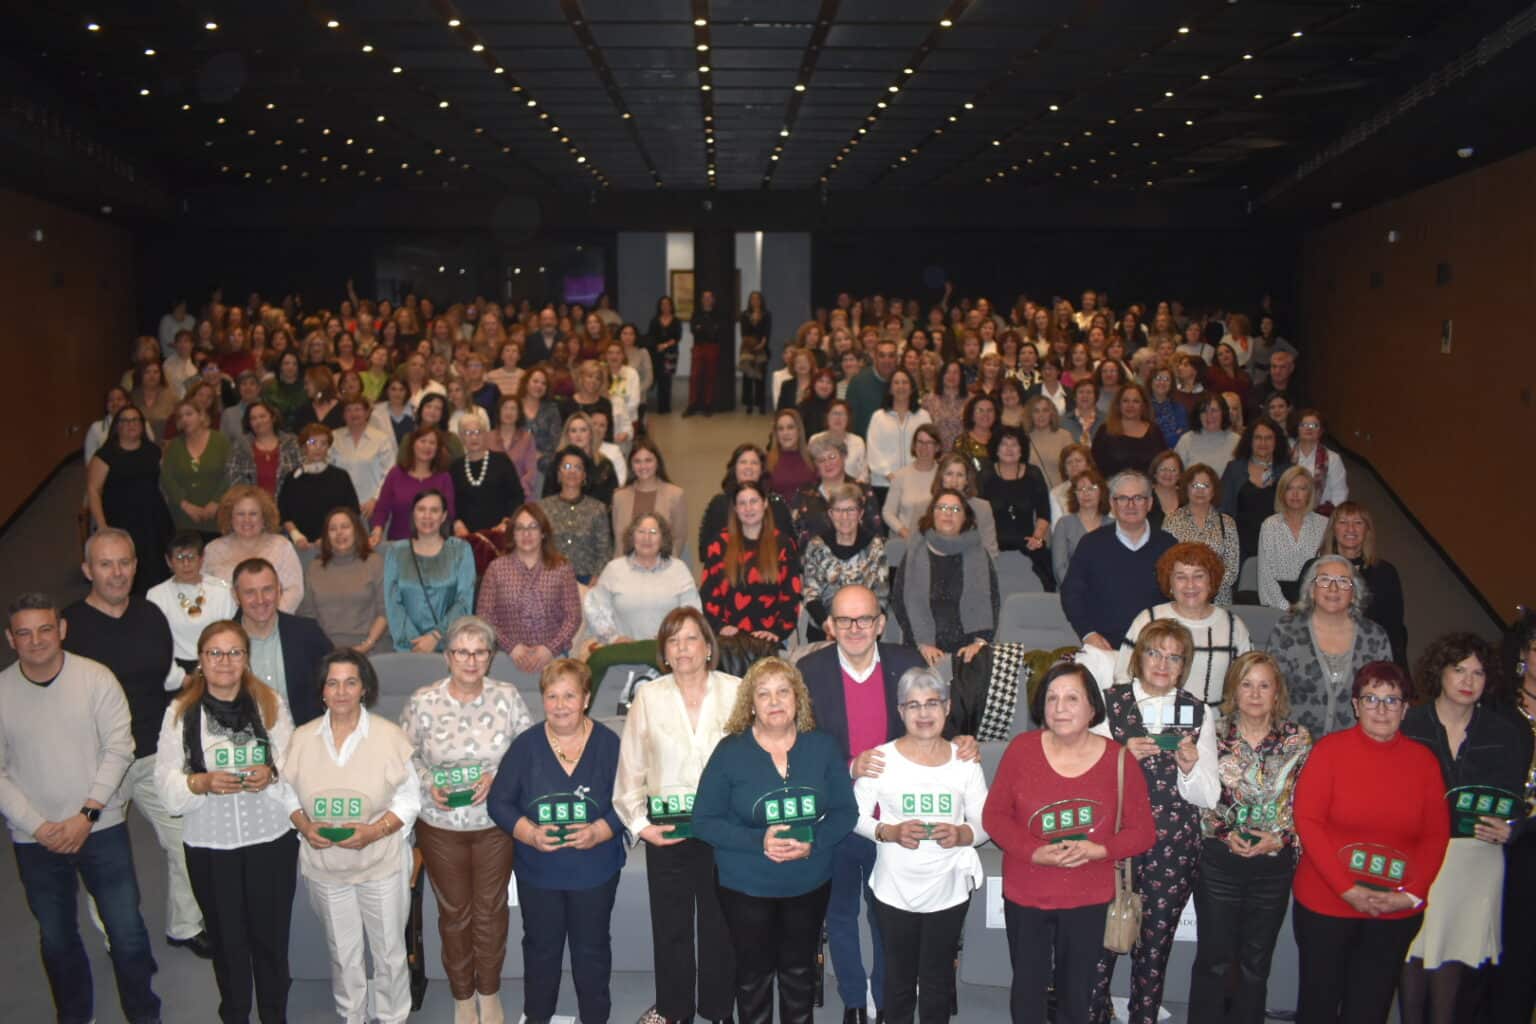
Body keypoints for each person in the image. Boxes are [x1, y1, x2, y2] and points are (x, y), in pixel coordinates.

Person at [1, 593, 163, 1024]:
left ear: (62, 630)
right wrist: (38, 826)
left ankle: (143, 1014)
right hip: (35, 839)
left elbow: (119, 748)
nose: (36, 640)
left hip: (100, 825)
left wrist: (86, 815)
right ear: (11, 639)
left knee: (126, 930)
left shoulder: (96, 678)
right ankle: (74, 1015)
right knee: (56, 938)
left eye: (45, 629)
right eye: (24, 633)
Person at [799, 585, 953, 1024]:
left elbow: (938, 721)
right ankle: (853, 998)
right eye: (844, 620)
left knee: (889, 915)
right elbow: (800, 747)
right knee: (841, 912)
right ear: (830, 626)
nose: (854, 628)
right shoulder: (809, 671)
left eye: (864, 619)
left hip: (897, 818)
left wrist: (961, 744)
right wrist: (850, 766)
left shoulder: (907, 663)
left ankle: (886, 998)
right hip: (837, 815)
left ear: (880, 623)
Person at [64, 530, 212, 955]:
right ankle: (116, 937)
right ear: (88, 570)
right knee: (105, 859)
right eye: (105, 564)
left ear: (135, 565)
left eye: (125, 563)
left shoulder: (150, 615)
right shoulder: (69, 627)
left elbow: (165, 680)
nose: (117, 573)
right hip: (97, 762)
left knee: (187, 838)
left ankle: (186, 924)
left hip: (152, 752)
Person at [982, 661, 1155, 1024]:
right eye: (1052, 698)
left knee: (1077, 996)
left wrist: (1101, 850)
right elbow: (994, 817)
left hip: (1087, 896)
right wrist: (1034, 852)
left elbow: (1143, 832)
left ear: (1092, 708)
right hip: (1027, 891)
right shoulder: (1021, 749)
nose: (1060, 708)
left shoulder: (1119, 760)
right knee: (1027, 992)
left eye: (1072, 698)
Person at [692, 657, 859, 1023]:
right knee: (753, 977)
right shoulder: (730, 752)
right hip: (745, 886)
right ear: (750, 704)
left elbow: (846, 813)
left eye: (783, 691)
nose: (774, 701)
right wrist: (758, 841)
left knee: (799, 974)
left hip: (809, 882)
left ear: (798, 699)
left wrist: (814, 840)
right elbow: (703, 821)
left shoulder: (823, 747)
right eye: (763, 694)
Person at [154, 618, 299, 1024]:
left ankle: (274, 1016)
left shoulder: (270, 702)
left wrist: (271, 773)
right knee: (227, 943)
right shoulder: (180, 713)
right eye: (214, 653)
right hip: (210, 845)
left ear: (246, 659)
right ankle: (234, 1014)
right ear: (200, 660)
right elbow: (165, 783)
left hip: (269, 839)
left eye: (234, 652)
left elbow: (293, 761)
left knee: (271, 941)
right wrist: (198, 783)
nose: (225, 661)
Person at [1291, 661, 1450, 1023]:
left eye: (1392, 700)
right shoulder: (1329, 751)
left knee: (1370, 1009)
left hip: (1394, 910)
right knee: (1317, 1007)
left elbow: (1435, 835)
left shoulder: (1424, 762)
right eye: (1371, 698)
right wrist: (1347, 889)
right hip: (1327, 904)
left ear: (1405, 708)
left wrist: (1411, 895)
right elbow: (1308, 822)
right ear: (1355, 705)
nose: (1381, 709)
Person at [400, 615, 533, 1024]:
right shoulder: (423, 701)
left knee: (491, 910)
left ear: (490, 657)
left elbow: (529, 754)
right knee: (455, 912)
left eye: (479, 652)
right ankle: (462, 995)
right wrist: (428, 783)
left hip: (495, 824)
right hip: (440, 825)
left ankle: (489, 991)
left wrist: (499, 778)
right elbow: (405, 757)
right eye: (462, 652)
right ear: (447, 656)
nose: (471, 661)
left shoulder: (507, 697)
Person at [614, 607, 741, 1024]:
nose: (682, 648)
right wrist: (641, 825)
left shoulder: (737, 691)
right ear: (664, 652)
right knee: (671, 925)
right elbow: (631, 765)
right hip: (667, 829)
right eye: (673, 640)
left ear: (708, 647)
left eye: (691, 638)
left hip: (723, 830)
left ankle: (719, 1009)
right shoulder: (649, 696)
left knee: (720, 923)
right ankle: (673, 1008)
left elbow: (752, 759)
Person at [1091, 619, 1220, 1024]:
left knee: (1155, 947)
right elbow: (1082, 776)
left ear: (1184, 667)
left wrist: (1189, 767)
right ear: (1138, 657)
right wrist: (1118, 754)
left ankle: (1142, 1017)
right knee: (1100, 943)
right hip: (1113, 840)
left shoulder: (1198, 712)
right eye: (1154, 653)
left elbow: (1208, 796)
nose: (1163, 664)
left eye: (1174, 657)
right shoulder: (1108, 703)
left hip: (1172, 845)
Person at [1398, 634, 1530, 1024]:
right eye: (1459, 670)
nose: (1468, 680)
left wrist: (1512, 828)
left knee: (1454, 960)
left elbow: (1516, 803)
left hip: (1474, 859)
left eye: (1478, 673)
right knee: (1412, 951)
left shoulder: (1504, 732)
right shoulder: (1409, 723)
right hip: (1417, 854)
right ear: (1440, 672)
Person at [282, 650, 418, 1024]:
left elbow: (410, 800)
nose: (341, 692)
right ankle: (352, 1015)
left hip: (380, 864)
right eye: (333, 683)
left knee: (389, 952)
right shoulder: (301, 738)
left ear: (364, 689)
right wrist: (304, 825)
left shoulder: (390, 737)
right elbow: (287, 793)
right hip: (326, 867)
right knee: (343, 954)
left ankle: (392, 1017)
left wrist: (375, 831)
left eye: (350, 682)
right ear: (322, 691)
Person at [489, 659, 625, 1024]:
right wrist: (530, 833)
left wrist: (600, 830)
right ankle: (537, 1016)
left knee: (592, 950)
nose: (560, 705)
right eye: (552, 696)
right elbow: (498, 802)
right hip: (539, 872)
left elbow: (629, 800)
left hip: (595, 870)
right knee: (541, 950)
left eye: (569, 695)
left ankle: (595, 1017)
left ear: (586, 698)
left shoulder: (609, 744)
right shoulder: (526, 746)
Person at [852, 666, 988, 1024]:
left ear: (947, 708)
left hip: (948, 889)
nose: (923, 713)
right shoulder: (881, 759)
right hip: (894, 889)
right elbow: (854, 816)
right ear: (900, 712)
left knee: (937, 982)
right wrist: (889, 831)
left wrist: (962, 835)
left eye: (932, 703)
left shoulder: (965, 762)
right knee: (897, 983)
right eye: (913, 705)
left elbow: (984, 823)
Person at [1186, 652, 1312, 1024]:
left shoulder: (1297, 739)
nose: (1255, 694)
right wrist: (1225, 834)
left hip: (1272, 866)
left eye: (1264, 685)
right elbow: (1197, 797)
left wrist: (1282, 838)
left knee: (1255, 964)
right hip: (1219, 863)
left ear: (1277, 692)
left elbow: (1307, 802)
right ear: (1233, 690)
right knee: (1214, 961)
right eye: (1246, 684)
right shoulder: (1213, 733)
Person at [1266, 555, 1393, 737]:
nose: (1333, 588)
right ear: (1311, 590)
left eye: (1343, 581)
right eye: (1324, 580)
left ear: (1354, 593)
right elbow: (1270, 691)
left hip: (1355, 743)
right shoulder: (1286, 631)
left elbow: (1386, 697)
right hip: (1295, 743)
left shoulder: (1375, 636)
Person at [1116, 542, 1254, 706]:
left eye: (1198, 576)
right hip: (1151, 718)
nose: (1190, 585)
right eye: (1181, 577)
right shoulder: (1148, 619)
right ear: (1170, 583)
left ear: (1211, 581)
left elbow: (1247, 683)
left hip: (1215, 720)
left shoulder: (1233, 627)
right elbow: (1123, 677)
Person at [1061, 470, 1177, 650]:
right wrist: (1088, 634)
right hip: (1104, 647)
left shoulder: (1168, 545)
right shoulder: (1091, 544)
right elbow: (1071, 594)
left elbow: (1179, 596)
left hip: (1157, 647)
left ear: (1149, 503)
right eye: (1122, 498)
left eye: (1138, 498)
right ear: (1112, 504)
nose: (1131, 505)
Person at [582, 513, 701, 684]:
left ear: (663, 538)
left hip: (667, 657)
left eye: (653, 532)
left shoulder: (679, 570)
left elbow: (692, 614)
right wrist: (613, 638)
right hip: (621, 656)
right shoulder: (614, 569)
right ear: (632, 536)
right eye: (641, 531)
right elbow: (595, 610)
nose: (647, 538)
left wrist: (670, 636)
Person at [893, 487, 1000, 668]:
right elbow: (900, 602)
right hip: (921, 647)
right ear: (932, 514)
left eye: (956, 509)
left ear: (965, 518)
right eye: (942, 507)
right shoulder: (915, 552)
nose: (948, 513)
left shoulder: (979, 554)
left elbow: (993, 602)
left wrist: (979, 642)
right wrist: (922, 644)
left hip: (968, 650)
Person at [478, 503, 582, 675]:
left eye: (533, 527)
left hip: (553, 659)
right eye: (520, 528)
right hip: (506, 657)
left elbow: (573, 617)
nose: (526, 534)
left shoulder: (562, 568)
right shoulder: (496, 569)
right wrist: (511, 647)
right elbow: (484, 616)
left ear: (543, 533)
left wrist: (550, 648)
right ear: (512, 534)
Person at [700, 481, 803, 644]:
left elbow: (791, 594)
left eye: (753, 501)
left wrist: (776, 632)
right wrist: (719, 626)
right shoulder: (719, 544)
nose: (748, 508)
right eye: (742, 503)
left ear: (765, 503)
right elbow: (708, 593)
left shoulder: (783, 544)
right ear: (735, 508)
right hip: (728, 639)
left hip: (770, 639)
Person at [231, 558, 329, 726]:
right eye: (250, 592)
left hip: (304, 735)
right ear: (235, 595)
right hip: (245, 737)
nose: (260, 600)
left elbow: (335, 681)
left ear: (279, 590)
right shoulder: (222, 643)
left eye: (267, 589)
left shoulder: (307, 633)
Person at [87, 403, 174, 592]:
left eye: (135, 420)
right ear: (117, 426)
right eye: (125, 421)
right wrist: (102, 525)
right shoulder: (105, 455)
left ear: (142, 424)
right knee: (129, 568)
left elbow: (163, 484)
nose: (131, 424)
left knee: (157, 567)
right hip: (121, 521)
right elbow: (93, 490)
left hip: (153, 520)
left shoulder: (153, 451)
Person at [383, 489, 475, 654]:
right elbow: (393, 603)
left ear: (444, 516)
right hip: (408, 648)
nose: (427, 516)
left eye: (434, 510)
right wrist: (415, 643)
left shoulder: (461, 550)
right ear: (413, 514)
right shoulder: (395, 552)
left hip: (450, 646)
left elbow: (464, 601)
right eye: (421, 509)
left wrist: (436, 636)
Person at [1317, 501, 1408, 666]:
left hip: (1370, 657)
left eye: (1358, 523)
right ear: (1333, 530)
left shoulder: (1385, 573)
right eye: (1343, 522)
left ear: (1367, 530)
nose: (1350, 529)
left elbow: (1394, 629)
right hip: (1321, 654)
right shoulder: (1315, 569)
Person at [801, 485, 889, 642]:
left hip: (864, 631)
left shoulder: (875, 546)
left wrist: (862, 627)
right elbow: (810, 594)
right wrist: (828, 626)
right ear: (830, 514)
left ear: (860, 513)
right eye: (838, 510)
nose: (844, 517)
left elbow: (880, 596)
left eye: (851, 510)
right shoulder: (816, 546)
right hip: (824, 631)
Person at [297, 508, 390, 652]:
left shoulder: (375, 563)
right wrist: (325, 649)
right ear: (326, 536)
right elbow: (308, 616)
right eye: (333, 529)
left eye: (345, 527)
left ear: (356, 531)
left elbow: (385, 611)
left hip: (371, 648)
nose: (339, 533)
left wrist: (367, 645)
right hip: (327, 650)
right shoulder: (314, 568)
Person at [149, 530, 240, 678]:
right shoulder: (156, 595)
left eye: (191, 557)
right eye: (179, 558)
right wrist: (179, 678)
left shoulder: (222, 590)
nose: (186, 564)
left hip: (219, 664)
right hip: (177, 669)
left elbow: (233, 634)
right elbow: (156, 644)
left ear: (201, 558)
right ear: (168, 561)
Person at [203, 485, 306, 611]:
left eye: (253, 514)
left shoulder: (282, 546)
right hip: (225, 620)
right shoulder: (213, 550)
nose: (247, 520)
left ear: (264, 517)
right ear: (230, 518)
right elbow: (204, 591)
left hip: (273, 618)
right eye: (240, 514)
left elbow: (294, 590)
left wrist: (268, 616)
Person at [448, 408, 525, 576]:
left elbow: (517, 496)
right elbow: (450, 501)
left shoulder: (501, 461)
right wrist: (457, 523)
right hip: (466, 538)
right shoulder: (455, 467)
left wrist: (507, 522)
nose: (473, 437)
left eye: (478, 432)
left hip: (499, 535)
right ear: (461, 437)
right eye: (468, 433)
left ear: (485, 435)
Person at [981, 426, 1053, 587]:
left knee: (1046, 577)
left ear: (1022, 450)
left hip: (1028, 542)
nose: (1009, 449)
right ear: (996, 448)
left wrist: (1037, 537)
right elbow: (978, 516)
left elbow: (1044, 513)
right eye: (1004, 444)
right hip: (993, 544)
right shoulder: (985, 475)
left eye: (1014, 444)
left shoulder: (1033, 474)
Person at [1161, 463, 1241, 605]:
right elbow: (1167, 564)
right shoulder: (1171, 520)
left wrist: (1207, 589)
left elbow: (1232, 568)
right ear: (1186, 489)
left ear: (1214, 490)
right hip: (1184, 597)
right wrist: (1191, 588)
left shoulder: (1227, 523)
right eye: (1195, 485)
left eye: (1206, 486)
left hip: (1219, 599)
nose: (1200, 491)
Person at [698, 442, 797, 558]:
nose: (748, 467)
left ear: (762, 469)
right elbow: (705, 550)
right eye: (743, 462)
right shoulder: (719, 504)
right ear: (734, 468)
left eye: (754, 463)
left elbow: (790, 547)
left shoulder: (776, 504)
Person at [538, 444, 615, 583]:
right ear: (558, 474)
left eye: (578, 467)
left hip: (587, 579)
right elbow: (537, 546)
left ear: (584, 475)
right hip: (549, 577)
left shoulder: (597, 509)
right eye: (567, 467)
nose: (572, 471)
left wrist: (595, 580)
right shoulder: (543, 507)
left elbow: (604, 551)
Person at [278, 424, 360, 551]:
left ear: (328, 447)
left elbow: (352, 511)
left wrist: (329, 538)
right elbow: (284, 514)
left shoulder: (340, 477)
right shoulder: (292, 478)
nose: (318, 447)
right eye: (312, 442)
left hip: (336, 545)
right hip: (301, 546)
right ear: (303, 446)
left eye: (323, 443)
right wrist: (296, 536)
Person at [1257, 466, 1329, 609]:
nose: (1295, 494)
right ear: (1282, 493)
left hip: (1315, 601)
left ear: (1310, 493)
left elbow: (1327, 571)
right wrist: (1285, 607)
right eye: (1289, 488)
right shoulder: (1269, 525)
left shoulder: (1324, 524)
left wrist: (1308, 606)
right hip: (1277, 603)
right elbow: (1265, 575)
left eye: (1302, 488)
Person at [1219, 417, 1290, 563]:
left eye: (1268, 438)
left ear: (1277, 441)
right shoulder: (1234, 469)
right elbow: (1224, 510)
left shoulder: (1288, 471)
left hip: (1279, 544)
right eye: (1258, 438)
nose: (1263, 443)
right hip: (1240, 545)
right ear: (1249, 441)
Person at [369, 425, 456, 543]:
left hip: (434, 544)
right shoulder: (395, 474)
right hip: (399, 543)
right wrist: (377, 531)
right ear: (412, 445)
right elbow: (382, 508)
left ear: (437, 449)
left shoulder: (444, 477)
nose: (427, 446)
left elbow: (449, 513)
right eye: (422, 441)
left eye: (432, 443)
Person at [161, 399, 232, 540]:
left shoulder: (220, 441)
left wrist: (216, 502)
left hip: (217, 515)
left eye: (189, 414)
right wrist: (186, 505)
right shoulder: (174, 445)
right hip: (183, 518)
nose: (184, 419)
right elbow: (167, 478)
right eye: (180, 416)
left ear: (201, 415)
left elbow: (230, 473)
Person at [611, 440, 689, 563]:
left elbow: (679, 537)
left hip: (663, 566)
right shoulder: (619, 496)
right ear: (631, 465)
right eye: (637, 461)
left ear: (657, 462)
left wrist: (666, 564)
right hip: (626, 566)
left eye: (648, 460)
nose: (643, 466)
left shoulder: (675, 495)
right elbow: (619, 540)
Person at [866, 369, 932, 500]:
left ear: (912, 388)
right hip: (883, 484)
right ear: (890, 389)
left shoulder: (923, 416)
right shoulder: (878, 417)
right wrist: (889, 475)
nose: (901, 386)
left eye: (905, 382)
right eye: (896, 383)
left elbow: (929, 448)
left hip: (916, 483)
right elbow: (873, 451)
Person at [330, 395, 396, 520]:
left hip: (373, 506)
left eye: (358, 409)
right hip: (342, 506)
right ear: (343, 415)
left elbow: (389, 473)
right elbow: (328, 470)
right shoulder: (334, 437)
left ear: (367, 413)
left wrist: (375, 499)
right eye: (348, 410)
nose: (353, 414)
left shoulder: (381, 439)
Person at [931, 452, 1001, 556]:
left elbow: (990, 550)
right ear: (941, 477)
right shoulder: (926, 507)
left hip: (974, 564)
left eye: (960, 475)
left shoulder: (982, 508)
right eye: (949, 474)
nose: (954, 481)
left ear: (967, 480)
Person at [882, 423, 943, 541]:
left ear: (937, 447)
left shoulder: (944, 475)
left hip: (937, 539)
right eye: (920, 442)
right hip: (906, 540)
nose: (924, 447)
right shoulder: (900, 476)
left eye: (929, 443)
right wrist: (904, 532)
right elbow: (888, 512)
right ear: (914, 445)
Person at [1091, 383, 1166, 479]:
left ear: (1143, 405)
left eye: (1136, 401)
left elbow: (1162, 464)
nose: (1130, 405)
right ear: (1118, 404)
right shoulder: (1105, 430)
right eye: (1125, 401)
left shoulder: (1154, 431)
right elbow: (1094, 466)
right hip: (1112, 486)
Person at [1289, 410, 1347, 515]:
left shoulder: (1333, 459)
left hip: (1320, 515)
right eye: (1304, 425)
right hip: (1289, 511)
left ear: (1321, 431)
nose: (1308, 428)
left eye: (1314, 425)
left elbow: (1339, 494)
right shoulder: (1286, 455)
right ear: (1297, 429)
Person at [487, 393, 542, 498]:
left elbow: (531, 471)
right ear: (499, 412)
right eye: (505, 408)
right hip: (492, 494)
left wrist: (516, 489)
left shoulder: (527, 439)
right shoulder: (487, 438)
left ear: (519, 413)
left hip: (521, 494)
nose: (509, 412)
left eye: (513, 409)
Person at [686, 289, 728, 416]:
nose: (707, 300)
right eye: (704, 298)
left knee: (710, 376)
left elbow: (716, 331)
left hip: (712, 347)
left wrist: (703, 328)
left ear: (713, 300)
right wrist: (708, 328)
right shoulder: (696, 313)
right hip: (698, 347)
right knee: (694, 377)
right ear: (701, 300)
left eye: (709, 298)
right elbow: (694, 329)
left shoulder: (718, 314)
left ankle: (708, 404)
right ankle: (692, 405)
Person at [767, 408, 817, 505]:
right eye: (780, 429)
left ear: (799, 430)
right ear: (776, 433)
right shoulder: (767, 461)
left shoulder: (812, 459)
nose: (785, 433)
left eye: (790, 427)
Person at [647, 295, 683, 415]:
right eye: (662, 304)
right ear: (660, 306)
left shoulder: (676, 321)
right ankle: (659, 406)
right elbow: (651, 336)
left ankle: (666, 407)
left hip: (670, 354)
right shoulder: (654, 320)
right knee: (658, 378)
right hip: (657, 353)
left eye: (667, 304)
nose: (665, 306)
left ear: (671, 306)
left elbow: (677, 337)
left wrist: (665, 345)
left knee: (666, 380)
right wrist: (657, 346)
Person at [922, 361, 969, 449]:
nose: (951, 376)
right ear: (942, 375)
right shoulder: (928, 400)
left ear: (961, 377)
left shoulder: (970, 400)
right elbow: (924, 429)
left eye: (955, 372)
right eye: (947, 372)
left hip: (964, 451)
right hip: (936, 451)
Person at [740, 292, 773, 413]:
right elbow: (744, 332)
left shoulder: (766, 314)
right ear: (749, 301)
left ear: (761, 300)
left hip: (762, 347)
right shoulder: (745, 314)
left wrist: (761, 344)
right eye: (752, 299)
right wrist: (752, 320)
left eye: (757, 299)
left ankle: (760, 404)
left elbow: (766, 332)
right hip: (747, 347)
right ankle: (749, 404)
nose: (755, 301)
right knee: (748, 376)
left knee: (760, 376)